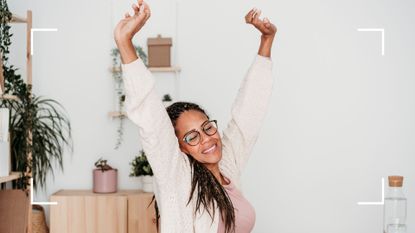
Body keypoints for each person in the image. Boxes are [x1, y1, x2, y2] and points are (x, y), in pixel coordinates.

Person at [114, 1, 277, 232]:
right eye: (192, 137)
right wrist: (124, 42)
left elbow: (248, 114)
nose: (207, 139)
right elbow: (152, 120)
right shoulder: (179, 178)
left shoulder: (227, 167)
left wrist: (267, 40)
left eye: (207, 128)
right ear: (180, 147)